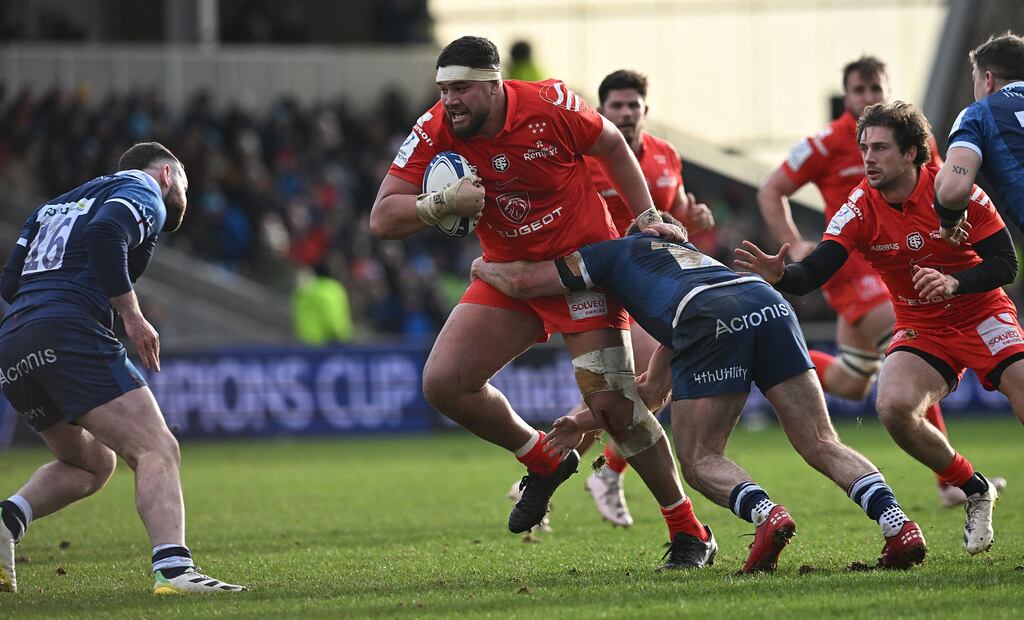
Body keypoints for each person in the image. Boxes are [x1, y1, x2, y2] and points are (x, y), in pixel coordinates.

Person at [370, 36, 714, 568]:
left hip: (582, 273)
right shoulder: (435, 126)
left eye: (461, 88)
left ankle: (690, 531)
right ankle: (542, 460)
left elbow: (613, 147)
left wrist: (646, 215)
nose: (450, 101)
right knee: (444, 384)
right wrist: (441, 201)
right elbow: (383, 217)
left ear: (493, 85)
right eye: (444, 89)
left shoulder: (550, 103)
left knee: (614, 408)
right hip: (509, 278)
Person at [471, 212, 927, 573]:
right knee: (821, 441)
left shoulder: (615, 252)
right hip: (764, 299)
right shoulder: (691, 262)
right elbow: (650, 390)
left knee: (700, 459)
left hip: (705, 317)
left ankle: (768, 515)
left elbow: (526, 282)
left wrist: (480, 261)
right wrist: (580, 421)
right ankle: (898, 525)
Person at [737, 101, 1019, 557]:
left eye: (881, 148)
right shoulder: (859, 205)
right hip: (921, 326)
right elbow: (815, 273)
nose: (868, 157)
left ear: (912, 153)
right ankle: (973, 486)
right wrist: (782, 276)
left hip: (981, 313)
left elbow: (1006, 264)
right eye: (865, 147)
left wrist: (954, 282)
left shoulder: (953, 190)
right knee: (893, 407)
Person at [0, 142, 246, 594]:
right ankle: (174, 569)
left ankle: (6, 520)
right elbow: (106, 233)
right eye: (185, 187)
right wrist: (131, 315)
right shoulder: (142, 186)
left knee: (91, 464)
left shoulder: (52, 207)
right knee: (157, 447)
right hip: (65, 327)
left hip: (15, 338)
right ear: (168, 173)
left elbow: (10, 281)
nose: (183, 199)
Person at [756, 56, 997, 508]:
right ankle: (949, 481)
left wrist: (953, 223)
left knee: (852, 381)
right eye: (859, 90)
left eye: (875, 88)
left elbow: (944, 185)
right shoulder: (823, 144)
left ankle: (768, 353)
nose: (869, 97)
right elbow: (771, 190)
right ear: (845, 96)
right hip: (850, 268)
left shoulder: (912, 137)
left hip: (905, 262)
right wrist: (794, 244)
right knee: (910, 350)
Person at [570, 69, 715, 528]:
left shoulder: (667, 156)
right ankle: (586, 468)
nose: (627, 113)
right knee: (647, 388)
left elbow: (675, 213)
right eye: (617, 106)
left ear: (645, 111)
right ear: (603, 112)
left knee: (643, 391)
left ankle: (560, 464)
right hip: (606, 288)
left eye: (634, 106)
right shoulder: (585, 156)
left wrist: (693, 215)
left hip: (654, 285)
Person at [935, 32, 1024, 237]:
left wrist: (949, 222)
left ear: (988, 80)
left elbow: (952, 190)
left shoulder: (978, 114)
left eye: (974, 80)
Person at [292, 261, 354, 345]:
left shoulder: (304, 292)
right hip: (332, 339)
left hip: (308, 340)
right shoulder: (333, 288)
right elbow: (333, 314)